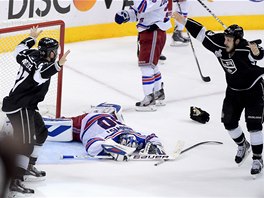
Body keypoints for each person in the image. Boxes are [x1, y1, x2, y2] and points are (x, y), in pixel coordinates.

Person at [172, 12, 264, 177]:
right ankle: (243, 145)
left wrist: (257, 52)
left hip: (253, 90)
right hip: (233, 91)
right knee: (228, 122)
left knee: (254, 126)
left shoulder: (245, 47)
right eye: (225, 38)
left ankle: (258, 158)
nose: (225, 41)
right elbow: (201, 33)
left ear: (237, 41)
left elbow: (257, 54)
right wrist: (184, 21)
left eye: (229, 39)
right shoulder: (219, 43)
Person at [1, 26, 70, 196]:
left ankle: (28, 167)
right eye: (54, 51)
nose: (56, 53)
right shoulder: (42, 65)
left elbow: (19, 49)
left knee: (41, 133)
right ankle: (15, 181)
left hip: (27, 104)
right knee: (25, 144)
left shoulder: (30, 55)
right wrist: (58, 66)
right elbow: (40, 75)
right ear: (49, 53)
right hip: (20, 106)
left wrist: (31, 38)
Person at [114, 0, 172, 111]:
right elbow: (138, 12)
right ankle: (158, 93)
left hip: (153, 31)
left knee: (146, 66)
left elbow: (143, 6)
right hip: (150, 31)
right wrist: (126, 15)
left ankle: (149, 100)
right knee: (152, 65)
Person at [67, 103, 166, 160]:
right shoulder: (119, 126)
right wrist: (157, 145)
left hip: (100, 129)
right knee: (90, 141)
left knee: (92, 142)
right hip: (93, 124)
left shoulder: (129, 133)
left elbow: (91, 145)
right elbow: (152, 136)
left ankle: (113, 148)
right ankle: (114, 148)